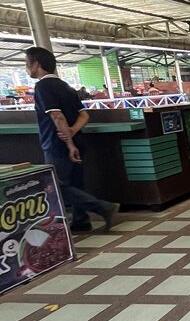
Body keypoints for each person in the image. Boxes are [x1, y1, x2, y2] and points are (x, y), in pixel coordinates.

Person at [24, 47, 119, 233]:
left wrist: (69, 142)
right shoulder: (65, 86)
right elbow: (84, 115)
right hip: (77, 140)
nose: (27, 68)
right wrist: (74, 132)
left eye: (27, 63)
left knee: (57, 186)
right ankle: (81, 221)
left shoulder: (43, 86)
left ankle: (103, 207)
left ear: (37, 64)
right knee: (76, 183)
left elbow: (57, 117)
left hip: (57, 144)